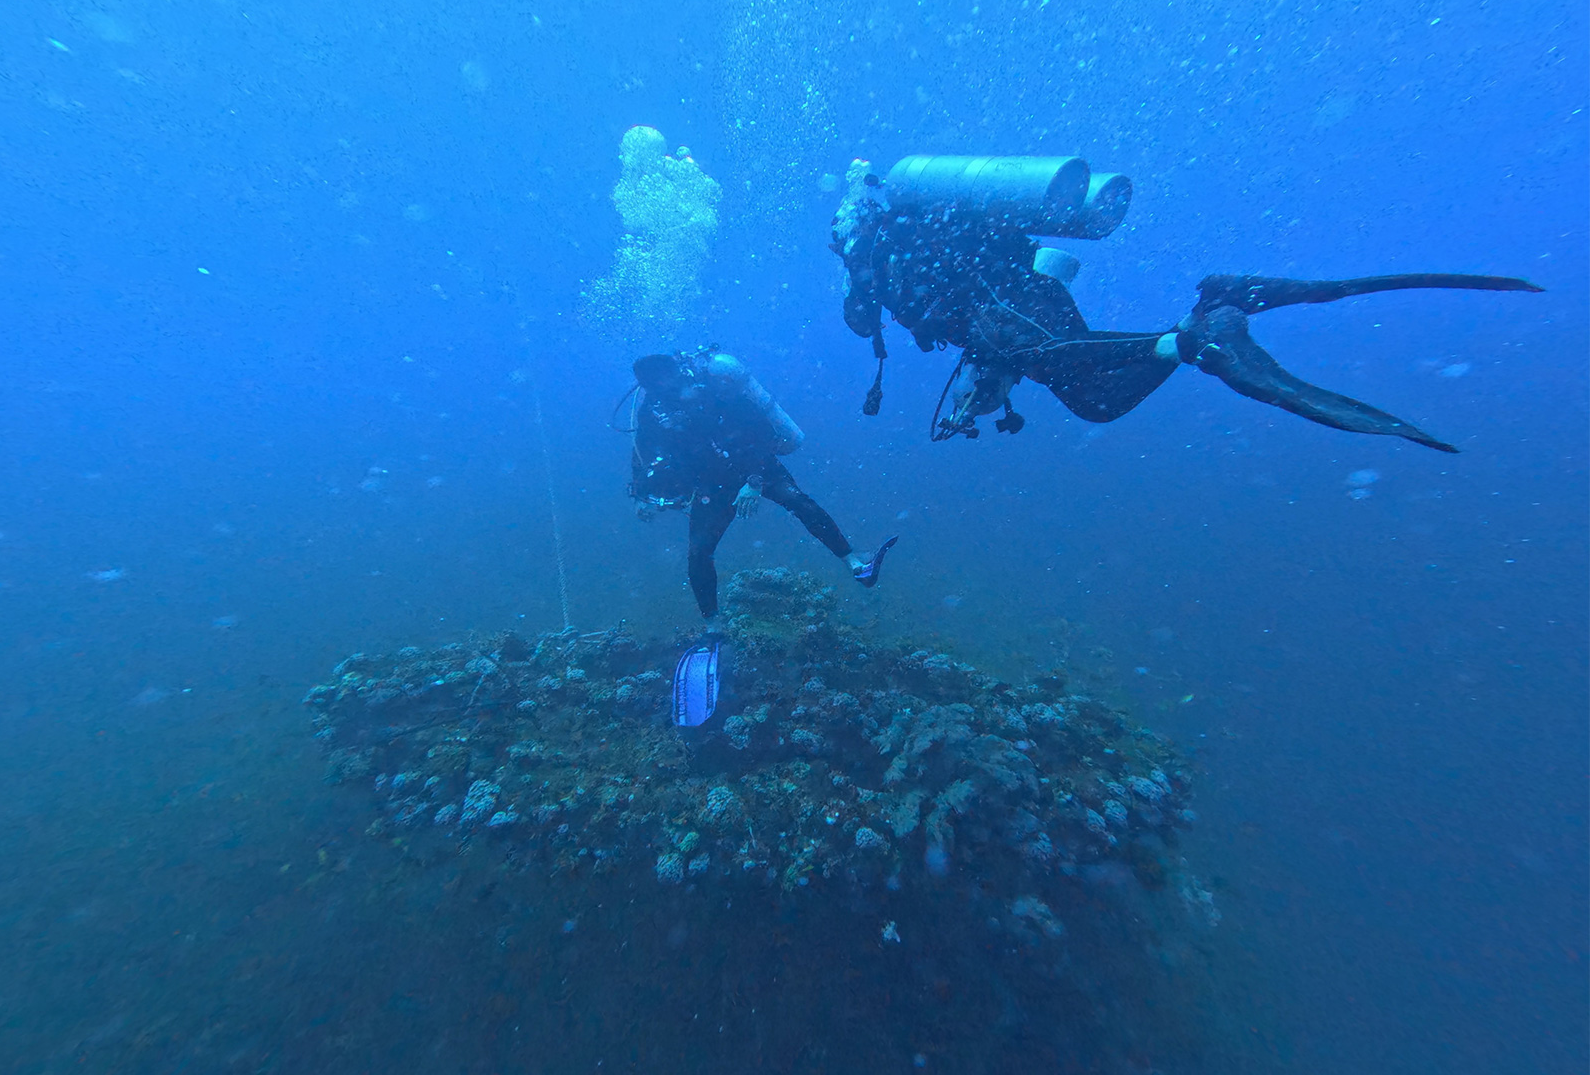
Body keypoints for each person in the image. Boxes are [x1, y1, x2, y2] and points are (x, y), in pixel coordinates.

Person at [832, 157, 1543, 452]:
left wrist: (858, 281)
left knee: (1069, 376)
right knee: (1092, 396)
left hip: (1010, 305)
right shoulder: (906, 240)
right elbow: (985, 308)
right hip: (1022, 295)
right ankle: (1196, 327)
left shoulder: (873, 257)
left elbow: (867, 321)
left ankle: (1199, 332)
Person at [628, 346, 896, 629]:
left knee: (800, 503)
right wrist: (639, 495)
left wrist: (754, 481)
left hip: (757, 465)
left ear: (675, 371)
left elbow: (761, 432)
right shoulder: (653, 411)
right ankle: (713, 626)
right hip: (712, 483)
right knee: (699, 551)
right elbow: (642, 450)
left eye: (665, 378)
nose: (663, 387)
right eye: (653, 384)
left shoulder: (714, 388)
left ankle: (854, 563)